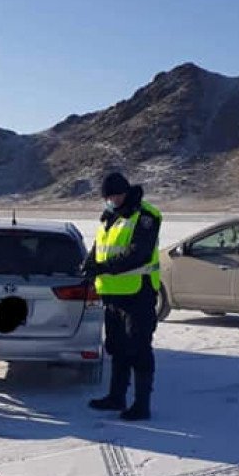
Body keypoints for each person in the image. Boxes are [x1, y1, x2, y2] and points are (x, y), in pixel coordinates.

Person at [80, 171, 161, 421]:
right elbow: (99, 248)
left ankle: (141, 404)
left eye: (115, 196)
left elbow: (140, 253)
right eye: (108, 197)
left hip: (138, 293)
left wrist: (104, 268)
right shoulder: (109, 217)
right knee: (117, 348)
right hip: (113, 294)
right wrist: (90, 264)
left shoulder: (145, 215)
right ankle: (116, 397)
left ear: (125, 192)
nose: (112, 200)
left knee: (139, 349)